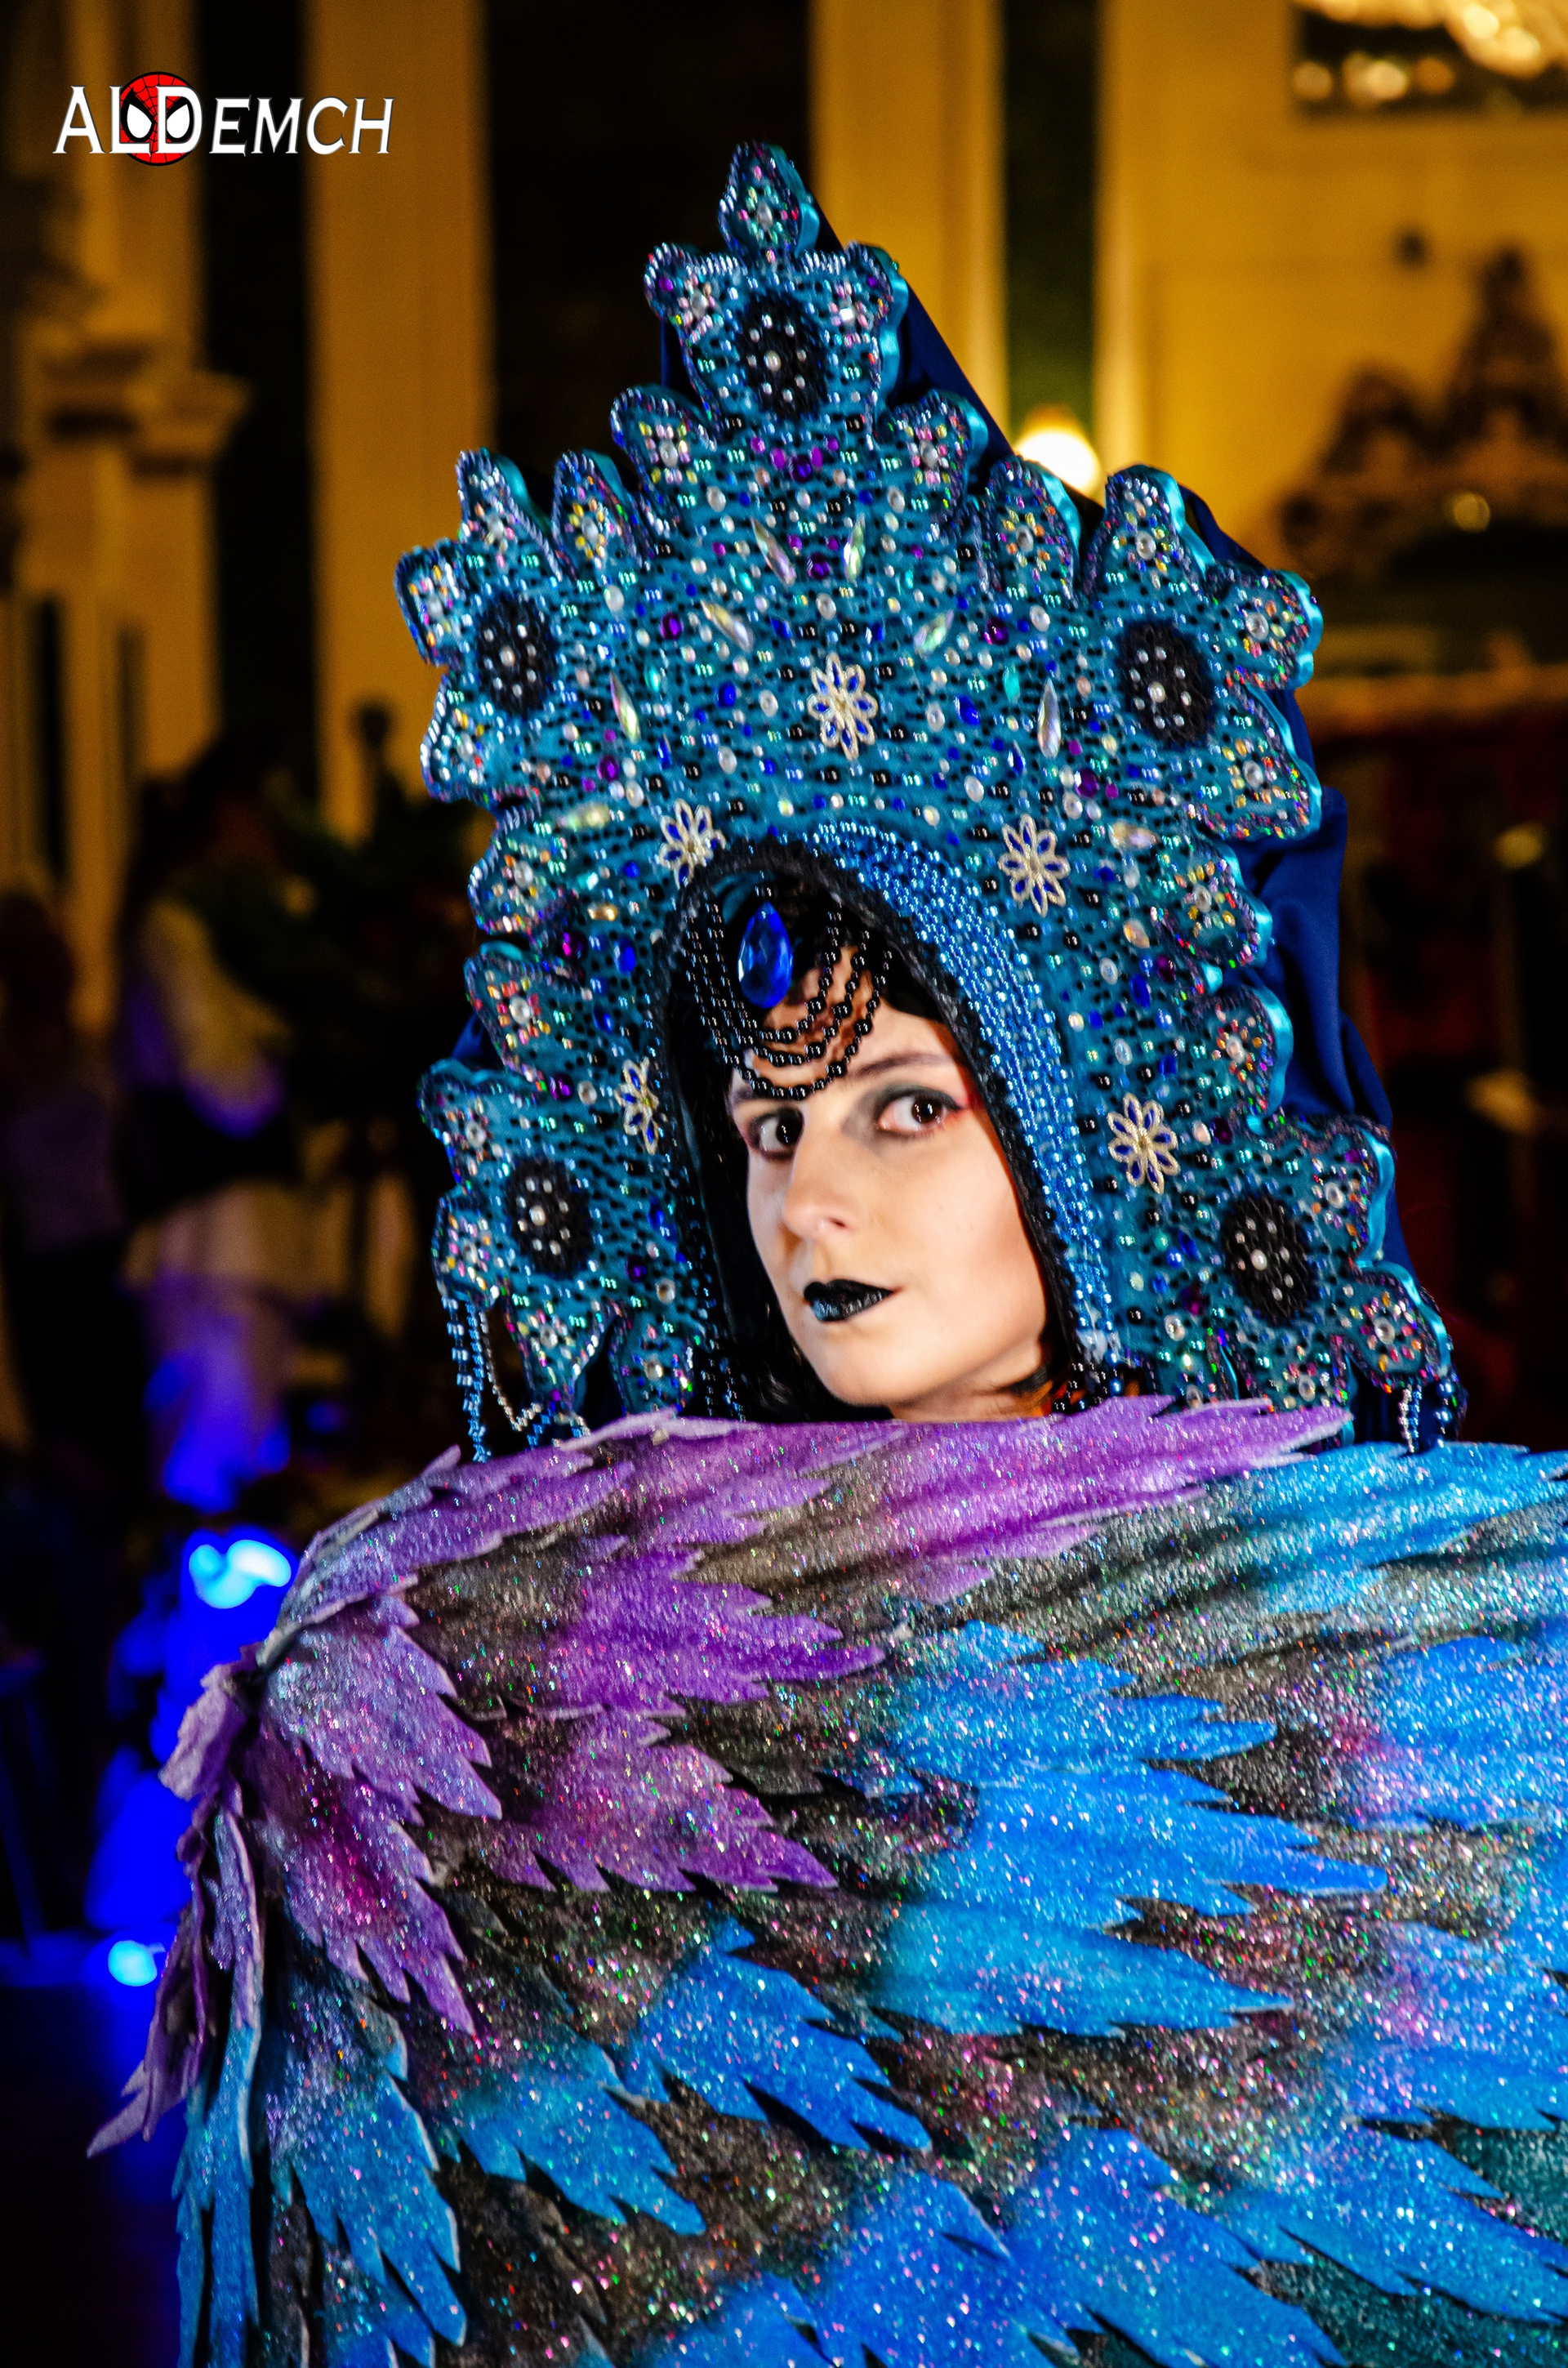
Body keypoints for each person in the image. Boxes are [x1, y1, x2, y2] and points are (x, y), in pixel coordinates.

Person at [108, 149, 1568, 2366]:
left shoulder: (1350, 1640)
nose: (811, 1202)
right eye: (770, 1129)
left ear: (1082, 1146)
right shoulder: (567, 1662)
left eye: (904, 1108)